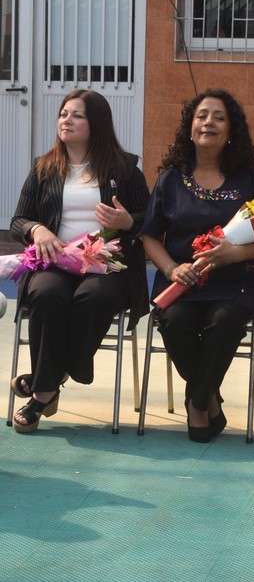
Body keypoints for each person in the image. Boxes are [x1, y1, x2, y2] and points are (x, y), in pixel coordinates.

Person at [9, 89, 150, 433]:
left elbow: (149, 221)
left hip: (108, 265)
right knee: (46, 293)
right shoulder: (44, 169)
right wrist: (37, 229)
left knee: (92, 297)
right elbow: (18, 221)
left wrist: (127, 222)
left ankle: (44, 387)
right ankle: (50, 383)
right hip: (57, 262)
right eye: (63, 114)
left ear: (97, 123)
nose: (66, 120)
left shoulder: (125, 170)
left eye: (77, 115)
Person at [141, 89, 254, 443]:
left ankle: (197, 402)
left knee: (224, 321)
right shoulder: (171, 179)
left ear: (231, 130)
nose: (209, 122)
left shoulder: (250, 177)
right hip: (183, 282)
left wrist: (235, 254)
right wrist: (171, 269)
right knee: (174, 322)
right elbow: (150, 236)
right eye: (201, 116)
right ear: (190, 127)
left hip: (239, 279)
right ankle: (209, 400)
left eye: (219, 117)